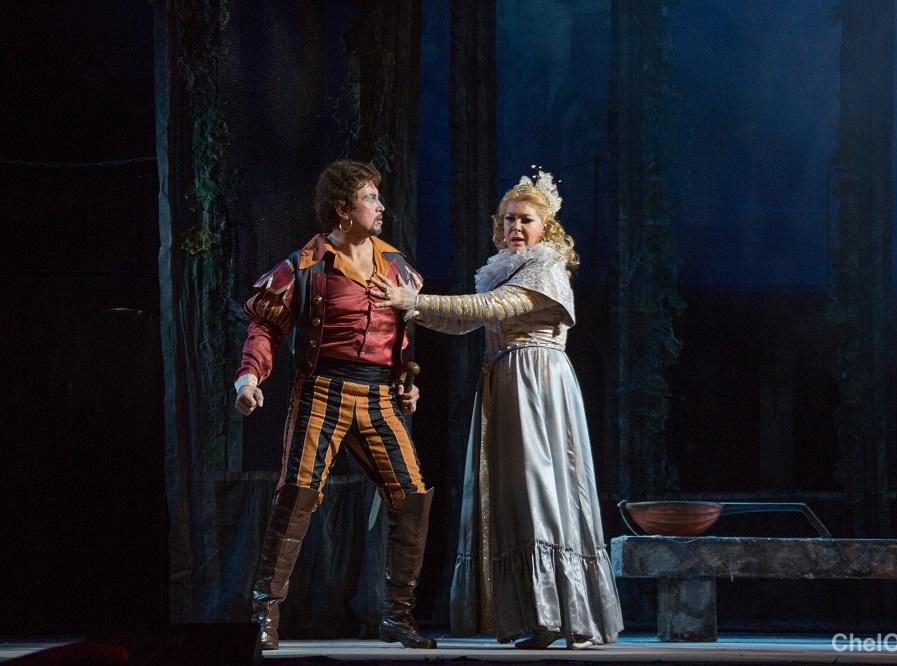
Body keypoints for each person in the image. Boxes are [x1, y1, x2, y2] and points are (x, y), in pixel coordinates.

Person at [371, 169, 623, 649]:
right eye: (508, 218)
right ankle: (543, 616)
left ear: (546, 226)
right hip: (507, 380)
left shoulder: (545, 268)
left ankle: (573, 617)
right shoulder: (506, 268)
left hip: (537, 381)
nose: (515, 227)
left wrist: (414, 299)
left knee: (543, 490)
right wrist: (410, 309)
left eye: (526, 219)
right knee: (517, 496)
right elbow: (465, 321)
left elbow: (490, 308)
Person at [234, 160, 436, 650]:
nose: (380, 206)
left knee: (412, 497)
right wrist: (249, 377)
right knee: (297, 496)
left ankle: (398, 616)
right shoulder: (306, 266)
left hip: (380, 397)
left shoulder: (396, 266)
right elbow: (265, 325)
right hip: (324, 390)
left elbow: (399, 336)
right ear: (343, 210)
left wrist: (406, 381)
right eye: (370, 198)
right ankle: (264, 615)